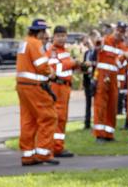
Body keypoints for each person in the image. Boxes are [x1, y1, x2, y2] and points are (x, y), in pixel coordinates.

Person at [15, 19, 59, 166]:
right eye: (45, 31)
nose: (46, 34)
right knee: (48, 117)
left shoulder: (24, 43)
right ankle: (43, 154)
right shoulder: (35, 43)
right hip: (34, 87)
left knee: (28, 120)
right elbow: (41, 66)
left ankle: (28, 156)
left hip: (23, 86)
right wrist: (51, 73)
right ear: (39, 32)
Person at [46, 25, 78, 158]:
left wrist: (77, 65)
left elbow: (66, 68)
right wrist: (72, 63)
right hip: (57, 86)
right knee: (58, 117)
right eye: (59, 36)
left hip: (65, 87)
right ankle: (55, 147)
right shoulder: (52, 51)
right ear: (54, 37)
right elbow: (56, 69)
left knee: (63, 117)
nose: (61, 38)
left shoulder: (64, 51)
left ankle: (58, 145)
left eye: (64, 36)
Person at [93, 21, 126, 142]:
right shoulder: (105, 40)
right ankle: (99, 134)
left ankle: (109, 134)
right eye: (118, 30)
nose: (119, 33)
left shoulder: (123, 47)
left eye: (122, 31)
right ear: (115, 29)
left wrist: (121, 85)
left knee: (112, 107)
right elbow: (97, 48)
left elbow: (122, 67)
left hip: (114, 80)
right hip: (102, 77)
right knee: (100, 105)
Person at [82, 30, 100, 130]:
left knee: (96, 102)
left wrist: (91, 63)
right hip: (87, 79)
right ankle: (87, 122)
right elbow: (85, 64)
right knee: (88, 102)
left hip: (95, 78)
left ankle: (97, 122)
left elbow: (99, 63)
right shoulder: (86, 53)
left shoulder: (97, 51)